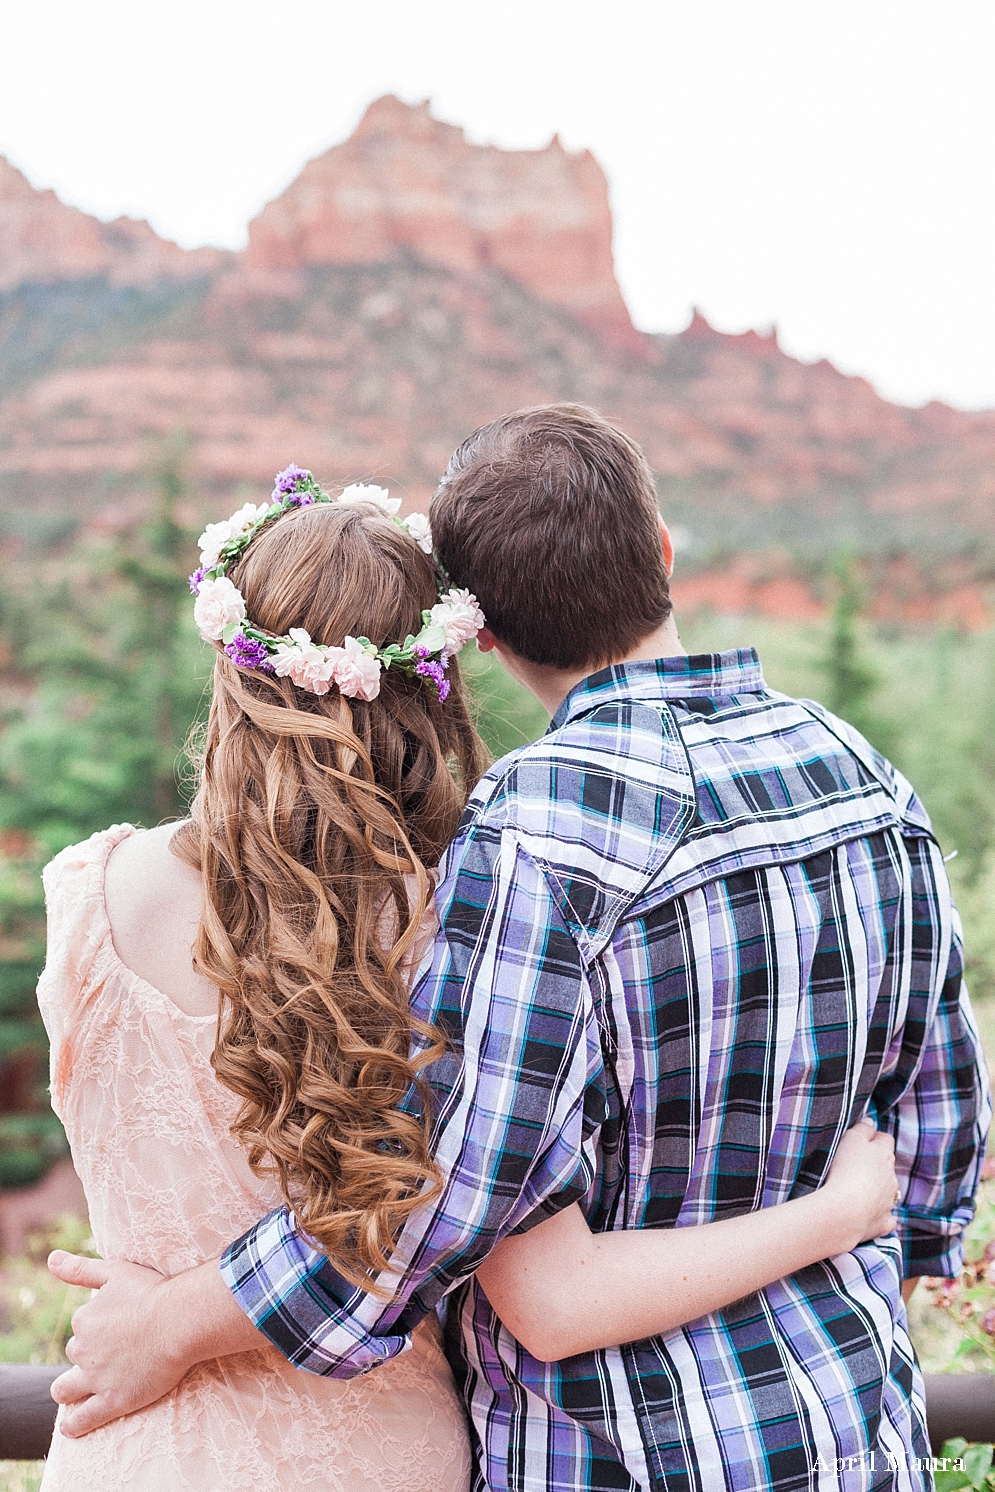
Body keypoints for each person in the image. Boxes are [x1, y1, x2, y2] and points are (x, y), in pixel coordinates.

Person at [48, 410, 990, 1492]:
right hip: (849, 1439)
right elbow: (932, 1148)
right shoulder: (863, 777)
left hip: (617, 1459)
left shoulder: (533, 836)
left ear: (481, 633)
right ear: (664, 550)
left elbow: (444, 1206)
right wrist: (832, 1268)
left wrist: (170, 1322)